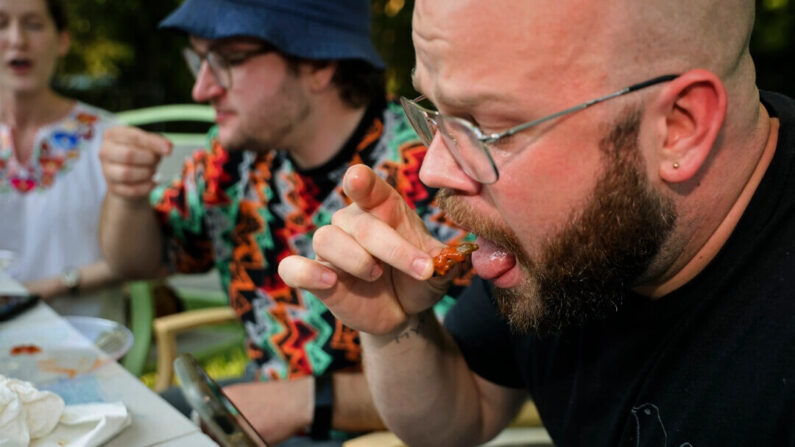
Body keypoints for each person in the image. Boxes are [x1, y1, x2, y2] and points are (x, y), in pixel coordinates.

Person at [278, 0, 795, 445]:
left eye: (489, 128)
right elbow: (465, 411)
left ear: (679, 129)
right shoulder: (569, 237)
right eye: (436, 112)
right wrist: (395, 326)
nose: (432, 169)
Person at [98, 0, 471, 444]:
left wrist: (301, 401)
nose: (202, 89)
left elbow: (468, 378)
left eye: (228, 60)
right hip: (254, 402)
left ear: (317, 64)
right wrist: (127, 196)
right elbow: (139, 261)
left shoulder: (428, 172)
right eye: (199, 60)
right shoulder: (233, 159)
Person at [0, 0, 121, 320]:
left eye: (34, 25)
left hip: (82, 347)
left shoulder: (107, 138)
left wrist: (52, 286)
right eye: (1, 24)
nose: (16, 40)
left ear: (63, 39)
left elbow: (139, 259)